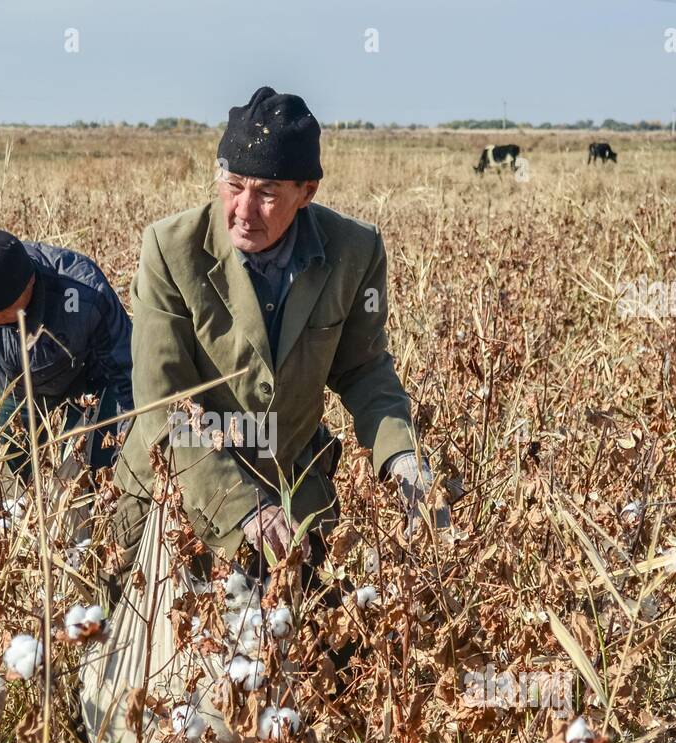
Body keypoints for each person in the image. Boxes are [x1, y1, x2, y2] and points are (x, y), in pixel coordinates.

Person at [106, 85, 438, 602]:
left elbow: (364, 369)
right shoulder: (171, 251)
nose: (243, 209)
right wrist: (245, 509)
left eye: (266, 193)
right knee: (161, 669)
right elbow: (163, 403)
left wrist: (401, 457)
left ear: (306, 193)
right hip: (181, 488)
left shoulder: (356, 252)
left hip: (291, 486)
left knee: (311, 656)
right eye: (232, 184)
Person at [0, 229, 133, 487]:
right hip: (17, 388)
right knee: (12, 476)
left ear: (30, 283)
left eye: (2, 310)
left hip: (90, 384)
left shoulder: (86, 293)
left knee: (83, 478)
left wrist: (126, 441)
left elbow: (125, 373)